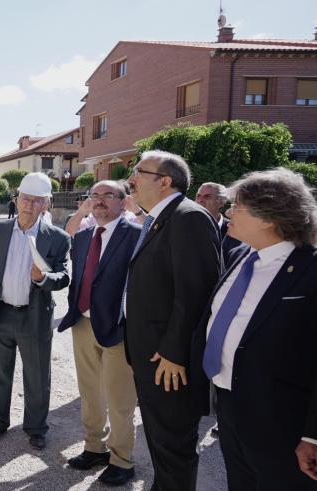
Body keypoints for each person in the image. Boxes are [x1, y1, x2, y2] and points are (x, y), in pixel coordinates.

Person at [190, 168, 317, 490]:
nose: (228, 212)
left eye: (238, 207)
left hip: (281, 419)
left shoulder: (310, 269)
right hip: (229, 404)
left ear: (268, 216)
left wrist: (312, 434)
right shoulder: (240, 255)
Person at [123, 150, 222, 490]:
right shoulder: (160, 217)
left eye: (138, 172)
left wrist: (175, 352)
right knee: (161, 444)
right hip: (151, 357)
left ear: (164, 181)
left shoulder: (188, 217)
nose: (131, 179)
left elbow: (196, 294)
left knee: (174, 447)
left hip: (169, 362)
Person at [0, 172, 70, 450]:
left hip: (34, 316)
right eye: (26, 199)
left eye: (38, 201)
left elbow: (64, 277)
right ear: (16, 200)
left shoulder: (58, 238)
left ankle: (36, 428)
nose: (30, 205)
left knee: (37, 375)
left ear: (47, 204)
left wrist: (43, 279)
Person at [57, 180, 141, 485]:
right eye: (95, 195)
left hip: (118, 329)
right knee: (90, 393)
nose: (100, 200)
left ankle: (123, 460)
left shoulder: (137, 235)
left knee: (120, 399)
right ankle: (95, 447)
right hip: (83, 324)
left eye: (109, 195)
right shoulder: (83, 237)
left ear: (123, 201)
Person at [195, 182, 243, 268]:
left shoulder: (236, 230)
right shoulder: (185, 226)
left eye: (207, 197)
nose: (200, 200)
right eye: (198, 196)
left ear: (222, 202)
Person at [66, 189, 144, 236]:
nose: (101, 201)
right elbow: (71, 232)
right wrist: (81, 211)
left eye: (109, 196)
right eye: (97, 196)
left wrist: (136, 210)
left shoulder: (132, 217)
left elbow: (151, 231)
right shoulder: (95, 217)